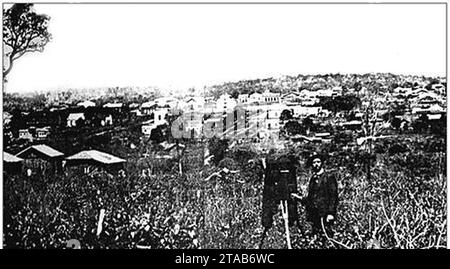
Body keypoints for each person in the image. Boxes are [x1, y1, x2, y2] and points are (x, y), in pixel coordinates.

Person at [293, 153, 338, 235]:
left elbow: (333, 197)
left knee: (327, 235)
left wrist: (331, 213)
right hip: (314, 214)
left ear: (322, 163)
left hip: (325, 214)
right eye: (314, 162)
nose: (316, 164)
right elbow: (311, 197)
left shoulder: (328, 177)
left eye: (318, 162)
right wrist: (300, 198)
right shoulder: (313, 179)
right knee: (316, 236)